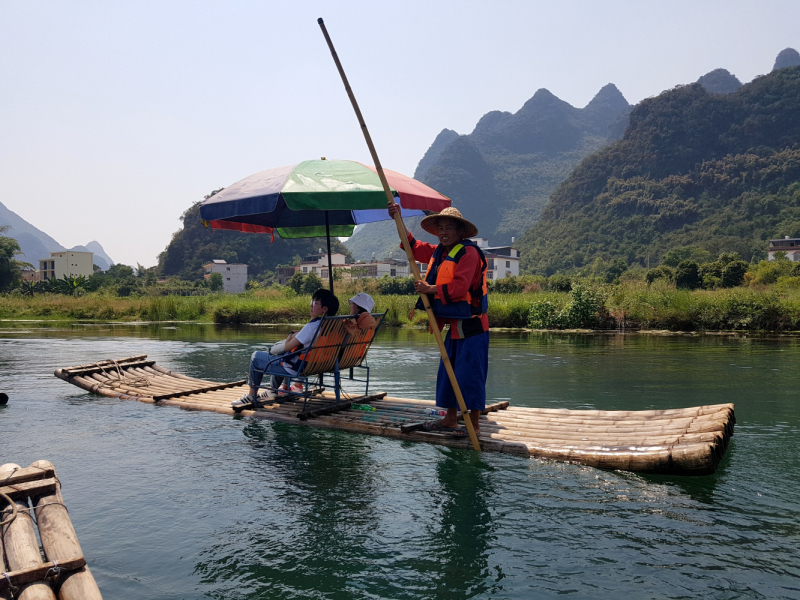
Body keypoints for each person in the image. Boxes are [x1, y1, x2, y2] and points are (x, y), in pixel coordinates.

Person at [387, 203, 489, 437]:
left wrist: (429, 288)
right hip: (453, 325)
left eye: (449, 228)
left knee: (470, 375)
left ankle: (473, 426)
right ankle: (450, 420)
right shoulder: (440, 252)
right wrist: (398, 218)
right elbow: (413, 247)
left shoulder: (469, 253)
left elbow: (459, 286)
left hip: (472, 326)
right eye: (440, 228)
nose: (443, 232)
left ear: (460, 232)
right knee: (448, 372)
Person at [232, 288, 340, 408]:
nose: (311, 306)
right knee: (281, 358)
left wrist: (290, 335)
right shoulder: (334, 325)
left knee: (256, 357)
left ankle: (252, 395)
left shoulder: (312, 326)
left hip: (298, 369)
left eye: (314, 303)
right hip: (318, 365)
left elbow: (287, 347)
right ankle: (273, 390)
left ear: (325, 308)